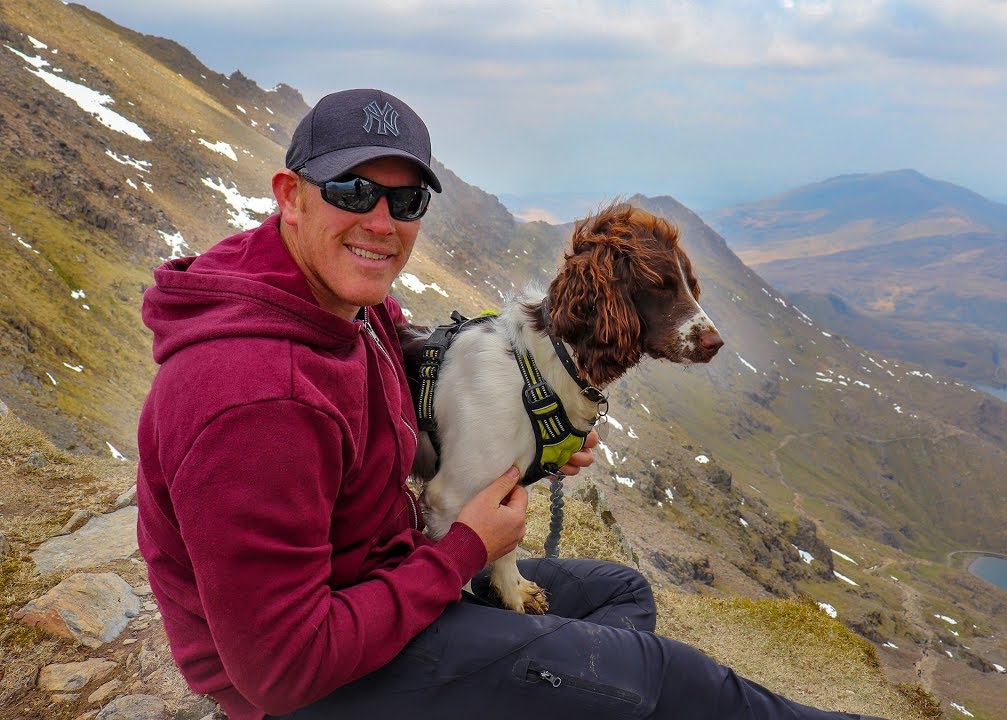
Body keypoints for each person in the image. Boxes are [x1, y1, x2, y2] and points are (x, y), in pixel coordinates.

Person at [136, 87, 878, 720]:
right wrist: (463, 551)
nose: (381, 221)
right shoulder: (251, 394)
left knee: (620, 594)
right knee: (659, 676)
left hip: (387, 571)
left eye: (406, 198)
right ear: (289, 196)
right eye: (353, 191)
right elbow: (279, 667)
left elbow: (421, 386)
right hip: (314, 681)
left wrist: (529, 441)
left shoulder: (331, 301)